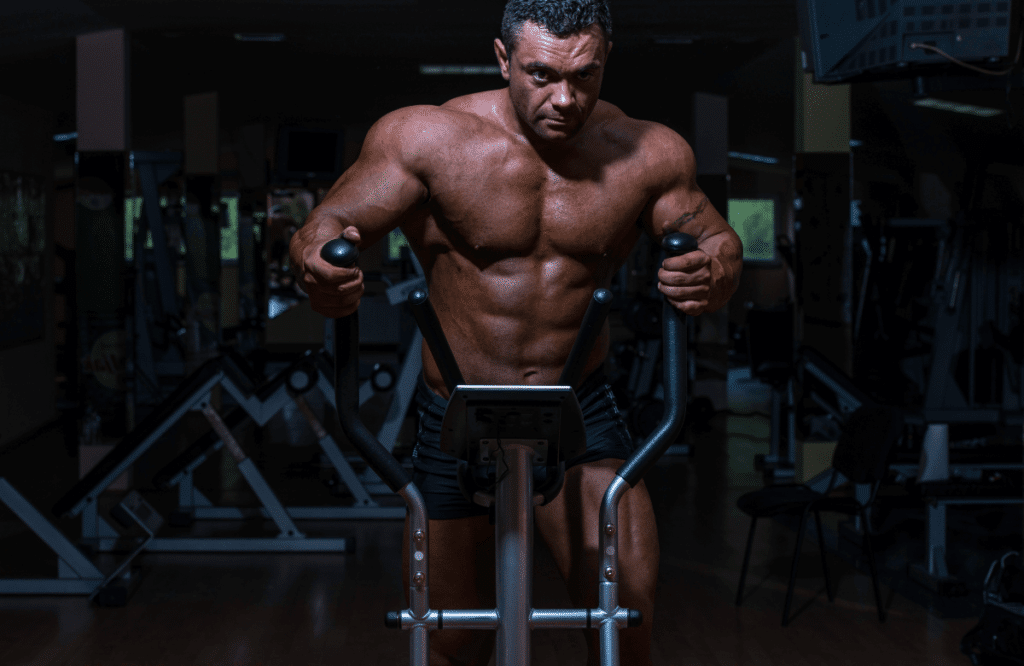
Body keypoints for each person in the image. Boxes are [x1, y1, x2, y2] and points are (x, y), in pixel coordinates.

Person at [290, 1, 743, 663]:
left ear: (605, 61)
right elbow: (324, 226)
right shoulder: (426, 139)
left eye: (585, 75)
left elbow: (716, 240)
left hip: (577, 410)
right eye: (541, 75)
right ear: (503, 59)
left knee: (626, 620)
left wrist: (717, 271)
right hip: (456, 414)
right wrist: (321, 269)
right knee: (451, 637)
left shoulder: (648, 154)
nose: (565, 97)